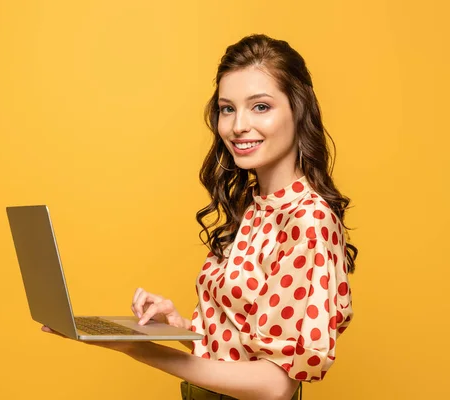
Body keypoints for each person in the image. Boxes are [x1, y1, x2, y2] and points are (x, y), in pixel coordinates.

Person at [43, 33, 357, 400]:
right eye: (228, 108)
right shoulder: (256, 208)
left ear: (298, 110)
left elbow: (277, 384)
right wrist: (177, 327)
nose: (238, 125)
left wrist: (143, 350)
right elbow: (243, 342)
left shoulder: (307, 220)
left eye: (260, 107)